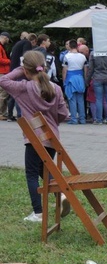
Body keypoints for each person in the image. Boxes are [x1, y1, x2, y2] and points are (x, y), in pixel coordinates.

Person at [0, 51, 70, 222]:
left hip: (34, 138)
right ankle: (61, 194)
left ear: (26, 70)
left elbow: (2, 80)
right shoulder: (56, 88)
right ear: (44, 67)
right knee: (45, 170)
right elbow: (64, 114)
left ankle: (38, 213)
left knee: (32, 173)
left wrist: (21, 69)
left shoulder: (23, 87)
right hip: (52, 138)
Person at [7, 32, 37, 121]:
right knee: (20, 93)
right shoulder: (27, 44)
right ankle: (21, 115)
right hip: (20, 69)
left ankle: (10, 115)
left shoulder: (18, 43)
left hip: (13, 69)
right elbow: (25, 56)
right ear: (34, 41)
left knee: (13, 93)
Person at [62, 40, 87, 125]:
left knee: (72, 99)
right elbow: (85, 69)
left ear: (70, 46)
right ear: (77, 46)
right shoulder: (82, 57)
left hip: (70, 78)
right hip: (80, 78)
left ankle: (74, 119)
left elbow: (64, 70)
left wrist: (64, 81)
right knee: (80, 100)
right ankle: (82, 119)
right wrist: (85, 79)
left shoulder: (67, 57)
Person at [86, 53, 107, 125]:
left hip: (97, 77)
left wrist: (87, 81)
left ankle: (99, 119)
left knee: (98, 99)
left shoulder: (93, 53)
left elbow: (91, 69)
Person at [0, 32, 11, 119]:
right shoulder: (0, 47)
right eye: (7, 39)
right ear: (5, 38)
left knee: (2, 92)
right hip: (2, 72)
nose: (8, 41)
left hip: (3, 72)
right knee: (3, 92)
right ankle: (1, 112)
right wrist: (10, 61)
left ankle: (3, 112)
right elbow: (1, 60)